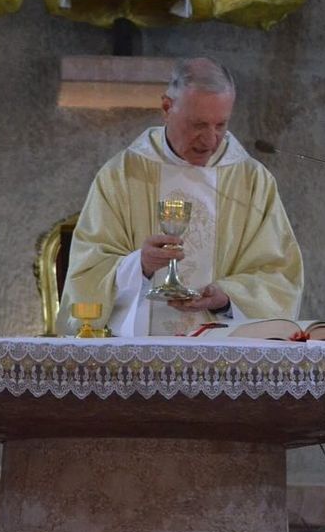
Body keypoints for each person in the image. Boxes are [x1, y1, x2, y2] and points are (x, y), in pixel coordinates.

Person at [60, 56, 303, 336]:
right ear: (166, 107)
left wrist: (227, 297)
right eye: (198, 125)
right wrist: (139, 265)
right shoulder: (122, 175)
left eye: (221, 125)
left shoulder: (251, 181)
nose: (210, 140)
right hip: (140, 360)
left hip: (222, 361)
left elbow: (280, 277)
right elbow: (87, 270)